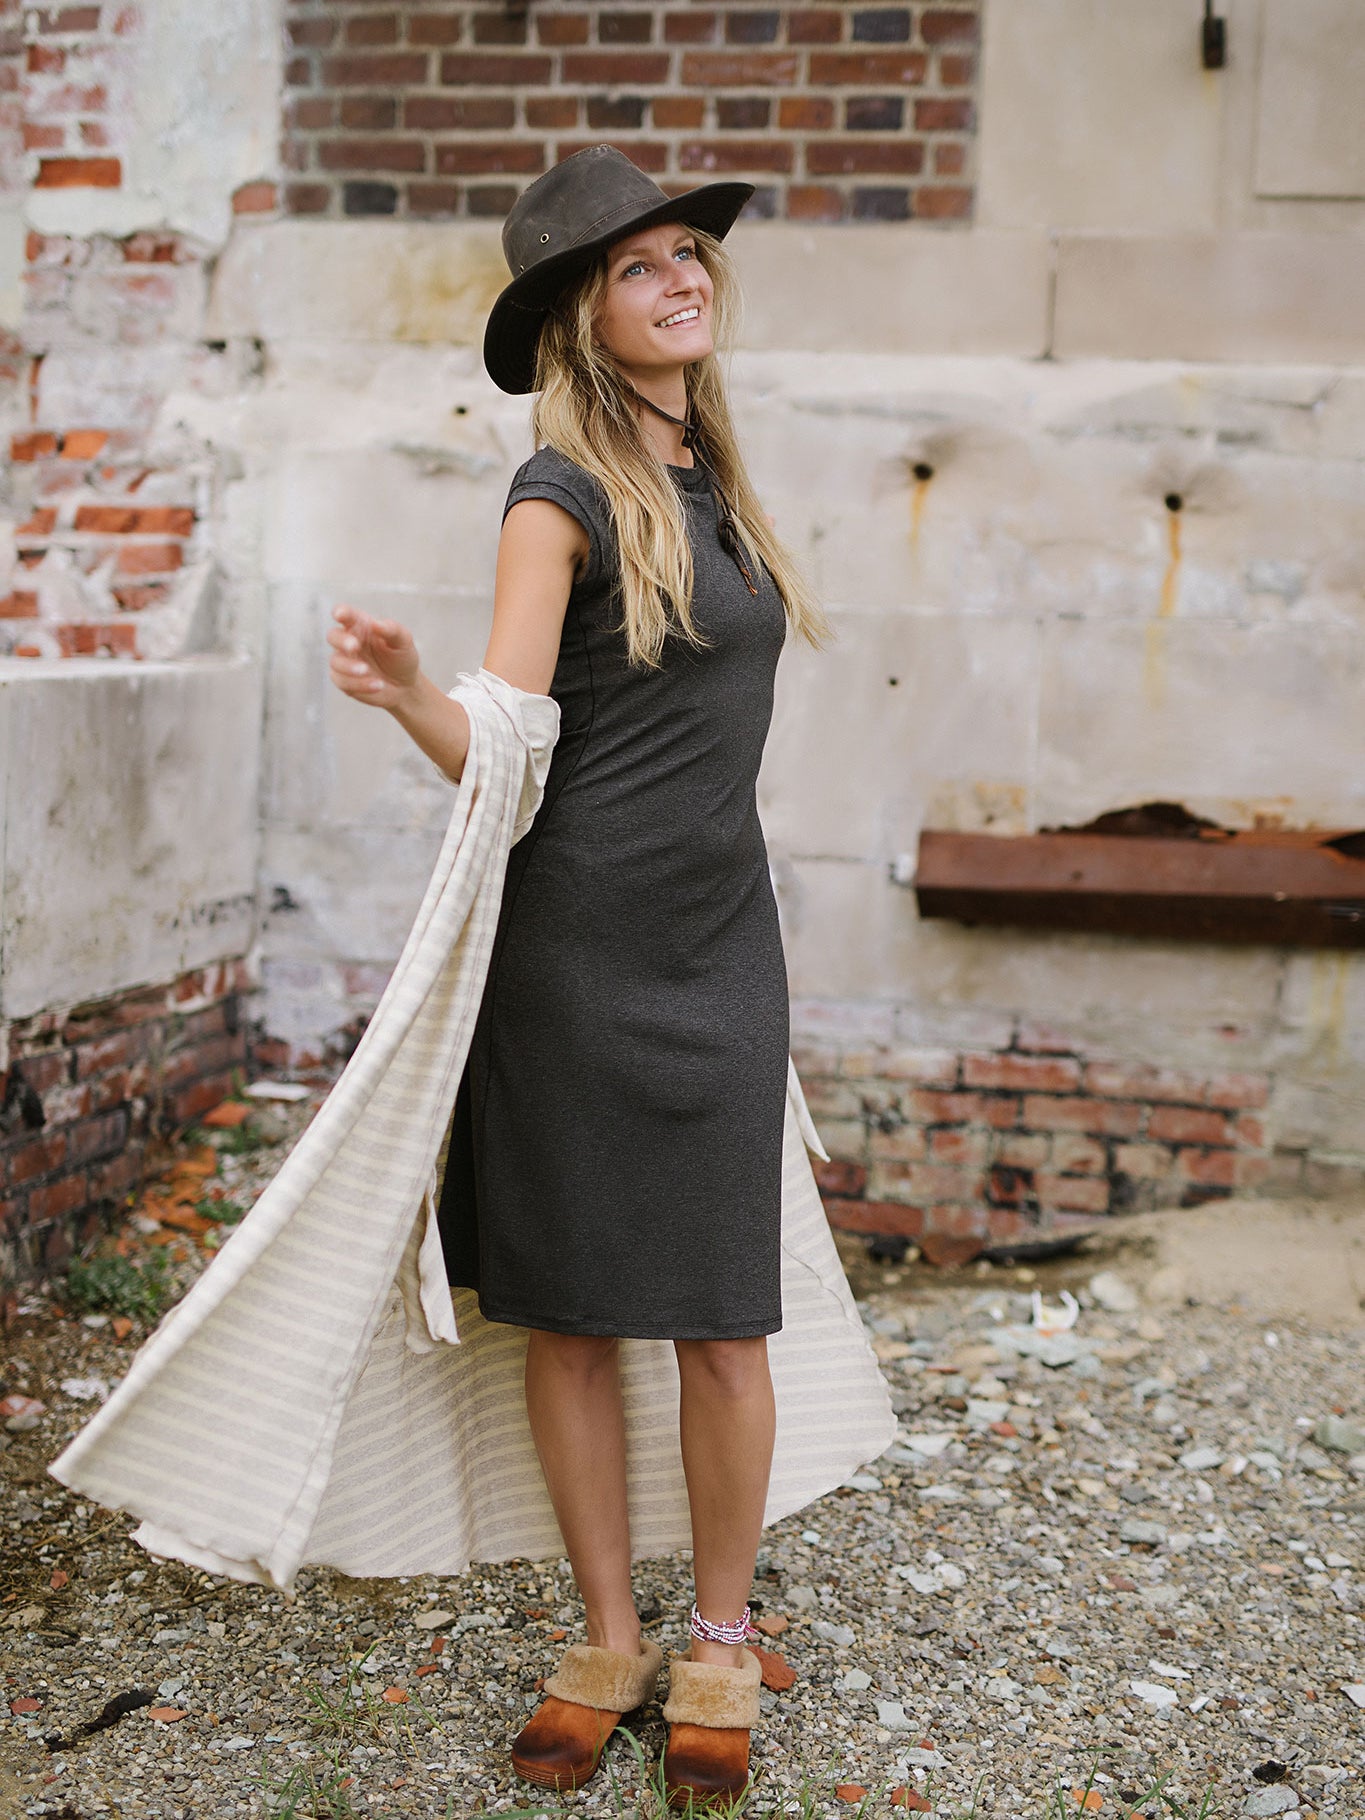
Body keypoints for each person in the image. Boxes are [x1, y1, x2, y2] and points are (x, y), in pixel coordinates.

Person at [325, 145, 831, 1809]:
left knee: (719, 1320)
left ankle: (720, 1631)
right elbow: (514, 732)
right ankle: (609, 1637)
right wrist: (414, 696)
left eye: (688, 251)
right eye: (637, 265)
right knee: (565, 1315)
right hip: (569, 955)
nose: (681, 275)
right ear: (578, 316)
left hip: (716, 945)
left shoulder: (720, 484)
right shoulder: (556, 490)